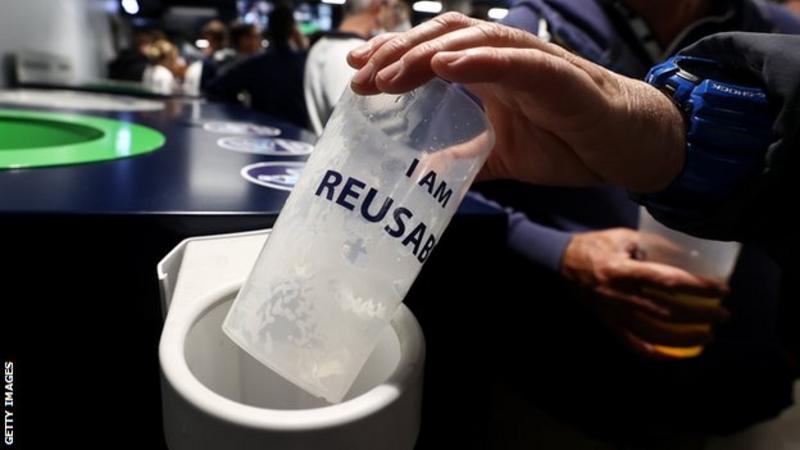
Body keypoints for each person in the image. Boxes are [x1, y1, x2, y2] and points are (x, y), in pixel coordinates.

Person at [348, 14, 800, 445]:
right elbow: (423, 181)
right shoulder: (524, 31)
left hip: (737, 391)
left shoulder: (781, 33)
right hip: (568, 389)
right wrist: (559, 252)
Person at [303, 0, 401, 135]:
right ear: (378, 6)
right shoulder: (355, 52)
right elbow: (354, 122)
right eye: (393, 7)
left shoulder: (320, 45)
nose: (395, 14)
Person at [206, 4, 310, 129]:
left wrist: (243, 111)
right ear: (293, 30)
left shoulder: (256, 64)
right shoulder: (305, 61)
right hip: (302, 138)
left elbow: (214, 88)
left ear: (268, 30)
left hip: (264, 133)